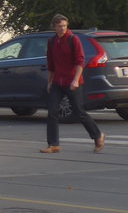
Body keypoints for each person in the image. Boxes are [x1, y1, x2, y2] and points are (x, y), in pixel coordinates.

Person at [41, 13, 105, 153]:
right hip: (57, 81)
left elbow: (80, 61)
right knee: (52, 112)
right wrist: (50, 81)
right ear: (54, 27)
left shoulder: (73, 39)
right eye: (59, 26)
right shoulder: (52, 41)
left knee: (79, 112)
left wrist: (76, 80)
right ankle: (53, 144)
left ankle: (98, 135)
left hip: (72, 81)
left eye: (64, 26)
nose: (62, 28)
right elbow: (51, 64)